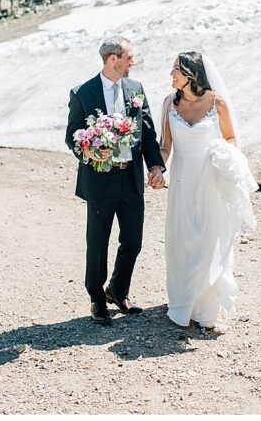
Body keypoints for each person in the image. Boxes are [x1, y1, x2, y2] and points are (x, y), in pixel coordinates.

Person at [65, 36, 165, 325]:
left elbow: (147, 133)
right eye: (129, 57)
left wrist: (156, 166)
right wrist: (91, 150)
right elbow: (73, 135)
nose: (132, 62)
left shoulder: (136, 89)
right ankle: (97, 298)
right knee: (97, 242)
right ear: (113, 59)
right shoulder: (83, 92)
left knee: (133, 240)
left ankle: (118, 291)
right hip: (100, 179)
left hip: (130, 176)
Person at [159, 51, 257, 330]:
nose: (171, 75)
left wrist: (224, 156)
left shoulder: (217, 103)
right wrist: (157, 169)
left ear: (191, 74)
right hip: (181, 180)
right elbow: (165, 146)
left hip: (210, 180)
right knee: (182, 240)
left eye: (176, 69)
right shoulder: (169, 104)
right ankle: (182, 300)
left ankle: (205, 308)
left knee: (208, 239)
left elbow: (231, 138)